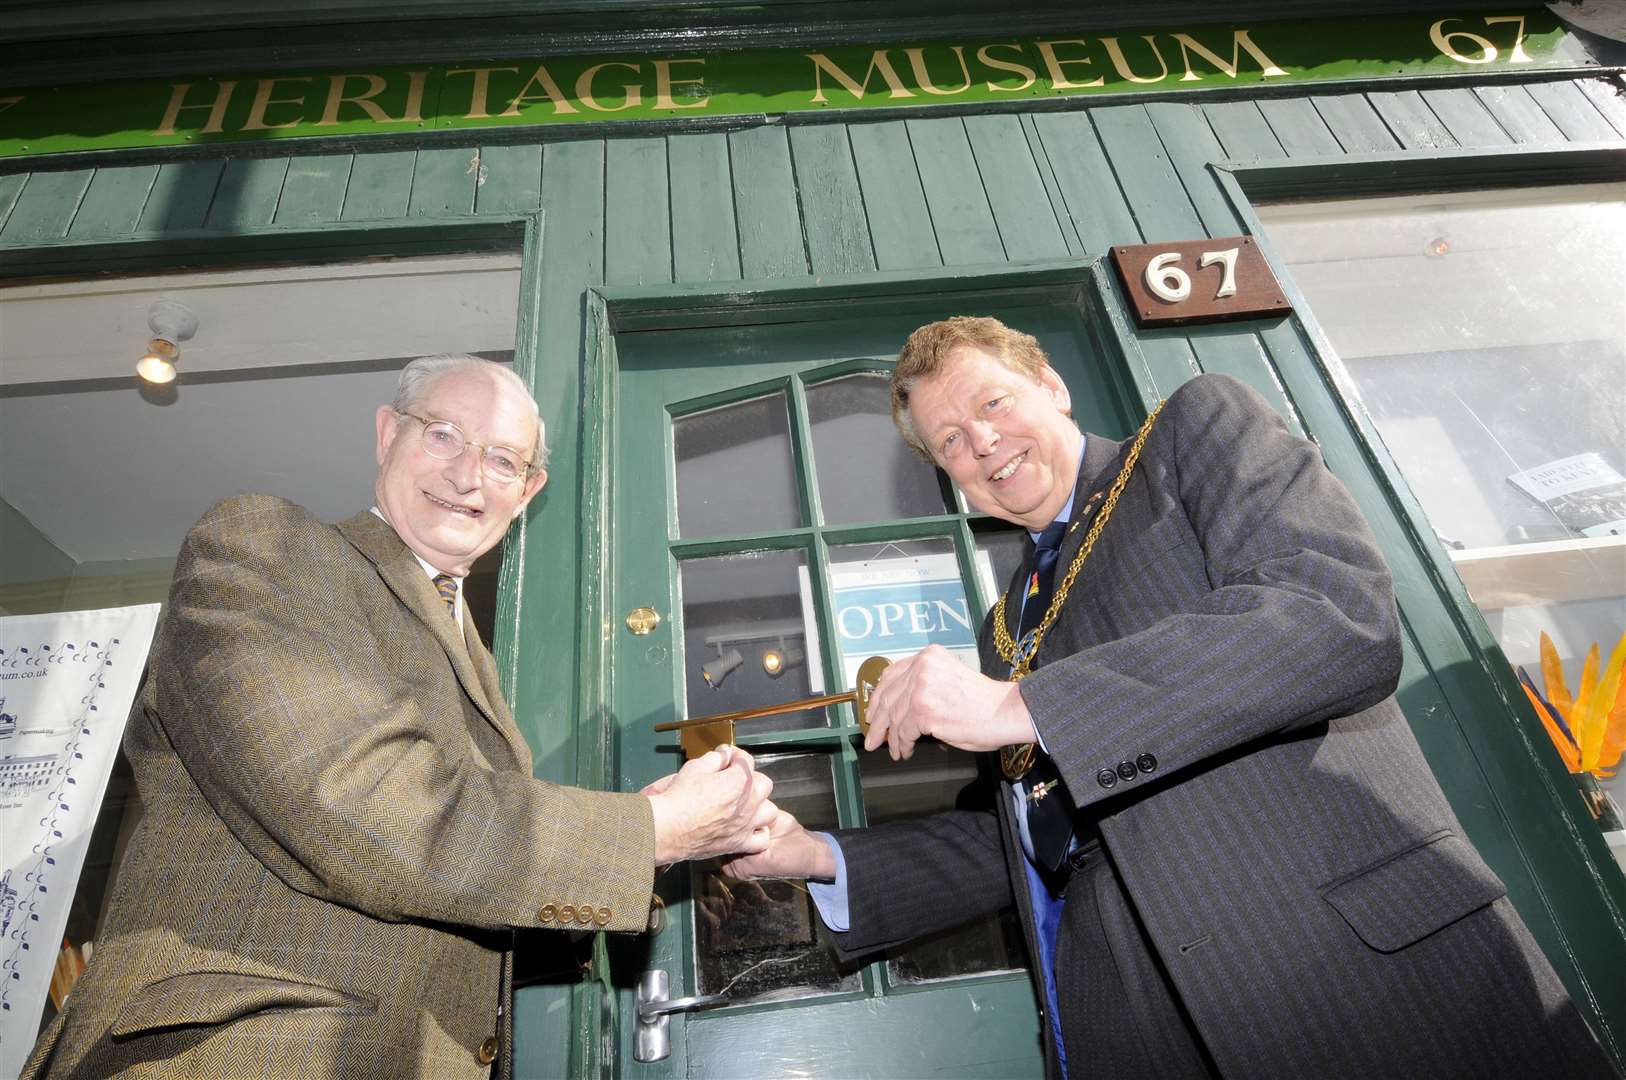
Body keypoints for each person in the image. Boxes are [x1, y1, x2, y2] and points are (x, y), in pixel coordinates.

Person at [730, 318, 1618, 1079]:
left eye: (992, 405)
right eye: (950, 442)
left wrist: (1023, 708)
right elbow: (1032, 841)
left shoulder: (1194, 432)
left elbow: (1333, 612)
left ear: (1054, 386)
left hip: (1350, 976)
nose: (981, 443)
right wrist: (816, 855)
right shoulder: (1007, 627)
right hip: (1137, 1024)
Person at [23, 354, 775, 1080]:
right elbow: (357, 804)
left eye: (504, 460)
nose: (468, 473)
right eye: (443, 435)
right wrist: (646, 833)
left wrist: (650, 849)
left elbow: (454, 899)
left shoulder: (465, 647)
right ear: (388, 434)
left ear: (528, 490)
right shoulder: (267, 546)